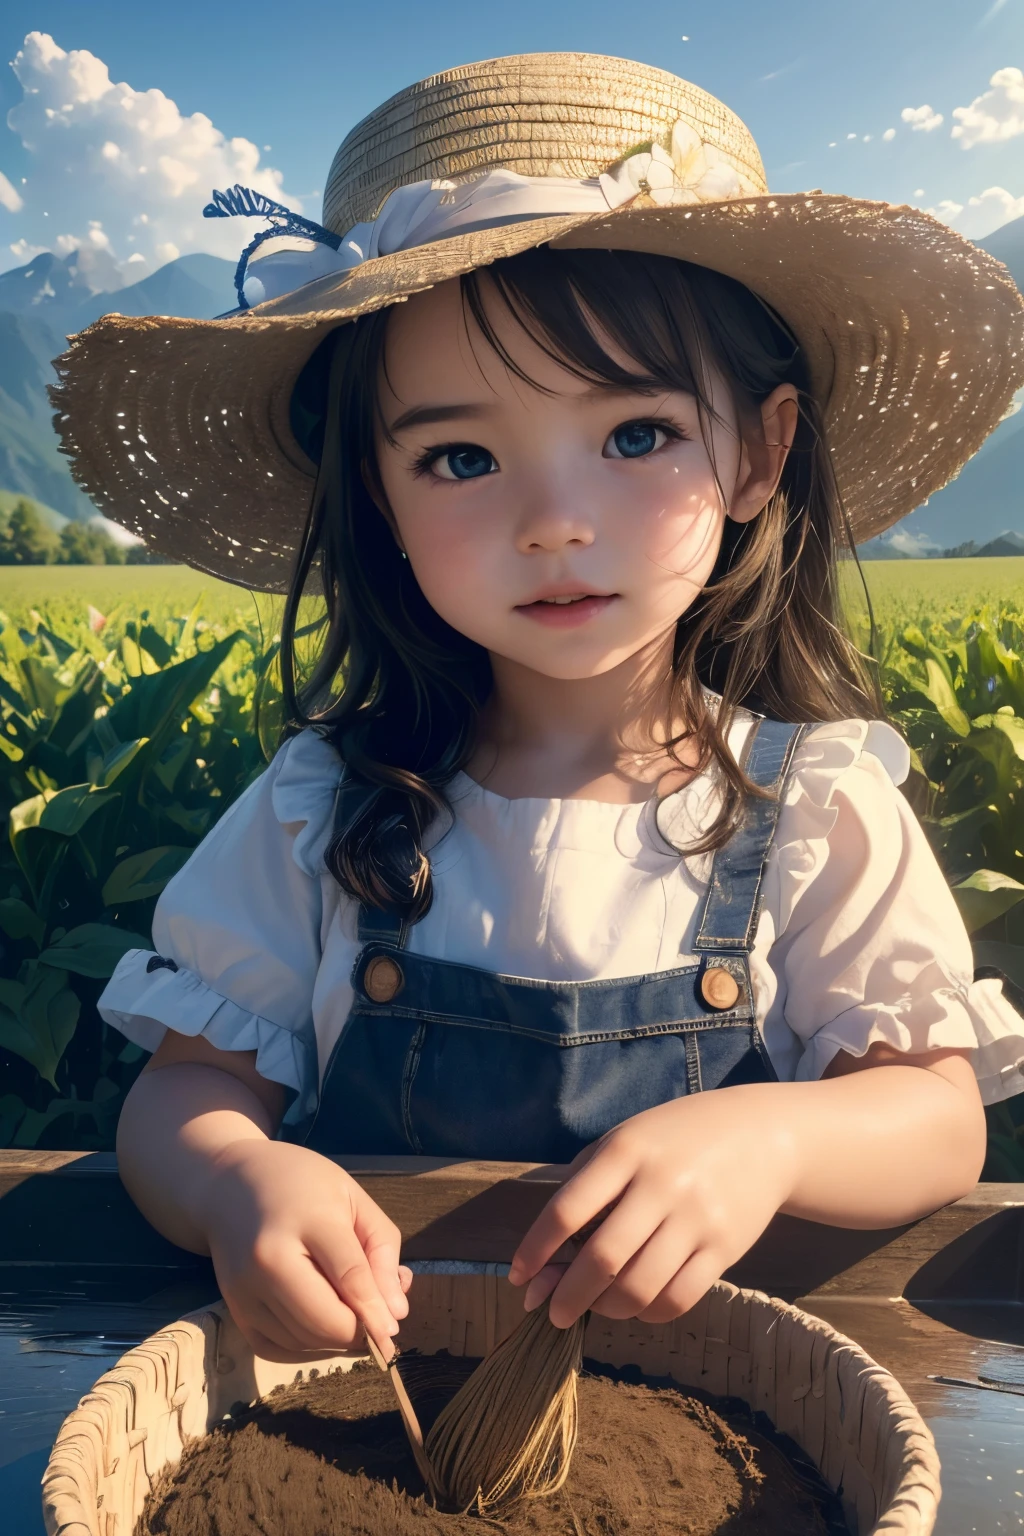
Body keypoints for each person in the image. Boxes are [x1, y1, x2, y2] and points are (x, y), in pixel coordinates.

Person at [59, 53, 1024, 1363]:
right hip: (375, 1416)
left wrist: (770, 1136)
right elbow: (184, 1091)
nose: (555, 523)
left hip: (733, 1420)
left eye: (636, 434)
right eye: (460, 457)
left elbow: (933, 1111)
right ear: (376, 497)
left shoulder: (816, 811)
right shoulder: (320, 814)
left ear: (761, 449)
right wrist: (236, 1180)